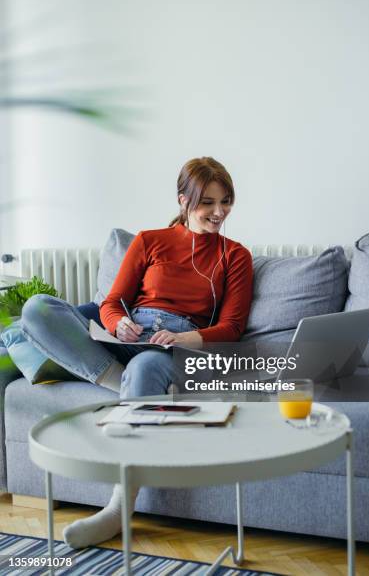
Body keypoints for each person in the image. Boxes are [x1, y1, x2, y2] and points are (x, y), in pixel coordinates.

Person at [20, 156, 254, 548]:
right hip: (130, 335)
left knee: (146, 367)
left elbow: (231, 328)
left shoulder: (235, 256)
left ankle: (116, 510)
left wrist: (183, 340)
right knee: (38, 309)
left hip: (175, 347)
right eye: (207, 203)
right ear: (183, 201)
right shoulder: (150, 240)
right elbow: (112, 302)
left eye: (225, 201)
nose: (219, 212)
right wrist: (117, 325)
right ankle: (124, 387)